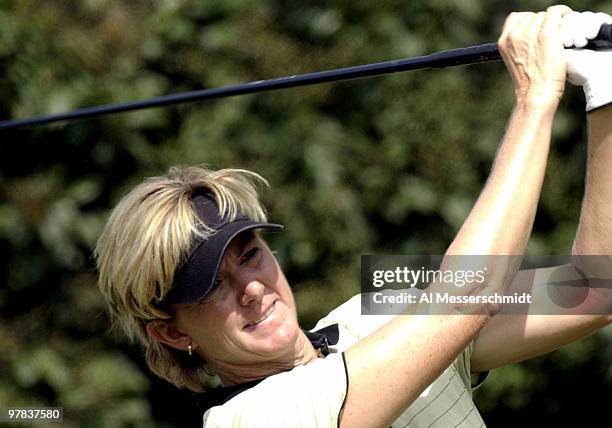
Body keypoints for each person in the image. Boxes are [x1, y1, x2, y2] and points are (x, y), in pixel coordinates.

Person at [94, 6, 612, 427]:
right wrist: (535, 97)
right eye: (211, 287)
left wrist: (603, 89)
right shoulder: (248, 420)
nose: (250, 288)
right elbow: (466, 297)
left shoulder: (371, 317)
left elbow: (595, 289)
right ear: (172, 335)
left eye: (249, 255)